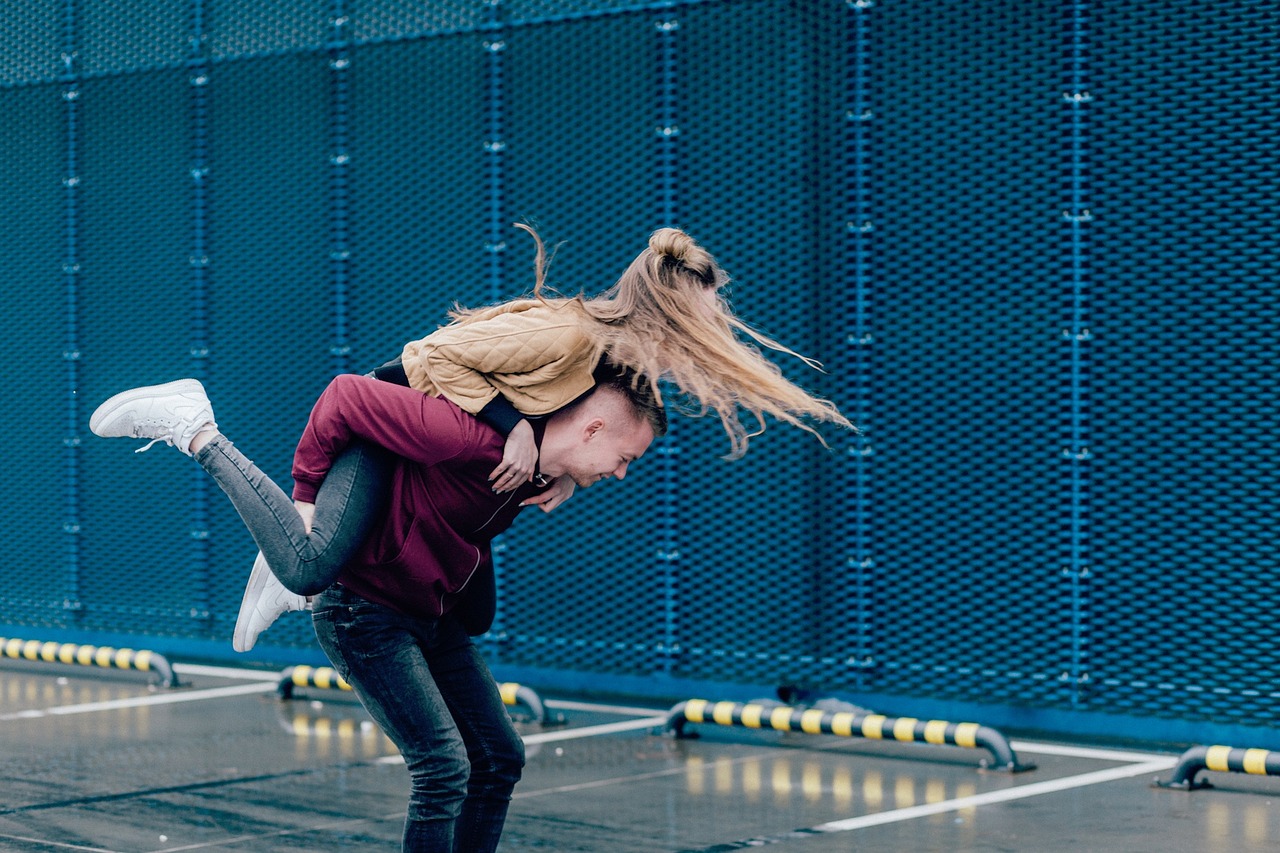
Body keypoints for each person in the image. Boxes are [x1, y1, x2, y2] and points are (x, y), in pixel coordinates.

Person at [90, 369, 666, 852]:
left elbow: (587, 407)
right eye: (623, 458)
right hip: (363, 611)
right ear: (592, 428)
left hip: (427, 611)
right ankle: (199, 433)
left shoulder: (536, 466)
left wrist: (561, 472)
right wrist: (306, 507)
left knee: (499, 755)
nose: (620, 473)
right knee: (442, 766)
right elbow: (346, 393)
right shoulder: (470, 439)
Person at [227, 225, 857, 650]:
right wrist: (511, 428)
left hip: (440, 438)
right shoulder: (574, 335)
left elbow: (575, 429)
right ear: (672, 310)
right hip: (388, 418)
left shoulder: (612, 363)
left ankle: (291, 571)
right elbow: (429, 356)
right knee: (312, 562)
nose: (716, 327)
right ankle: (266, 527)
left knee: (467, 615)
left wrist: (559, 471)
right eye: (710, 314)